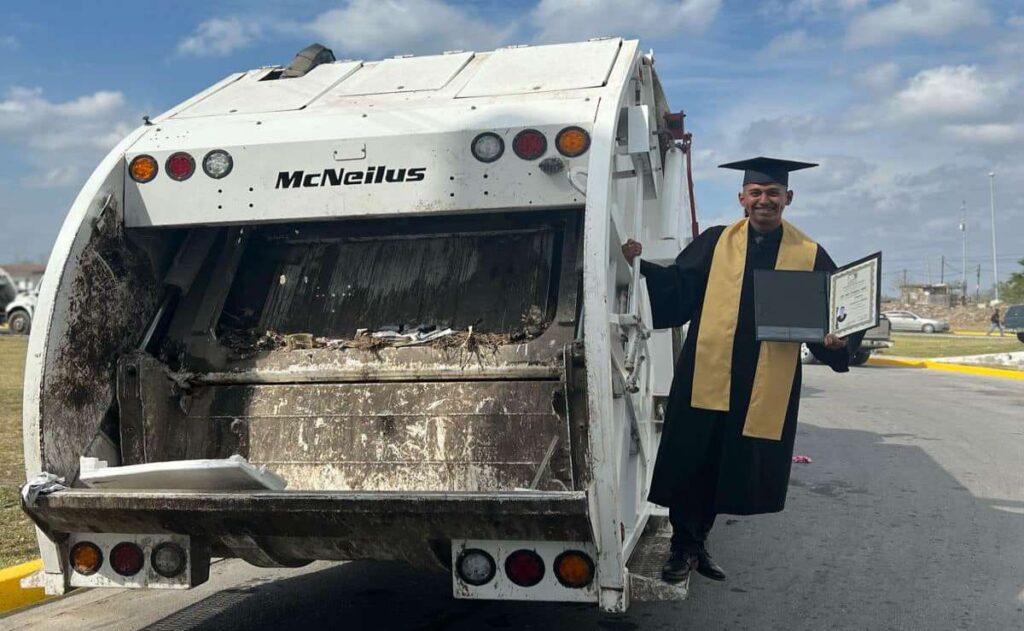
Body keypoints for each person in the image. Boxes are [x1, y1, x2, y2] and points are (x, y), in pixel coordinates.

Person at [621, 156, 864, 584]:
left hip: (762, 380)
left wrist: (838, 342)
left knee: (726, 465)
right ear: (742, 199)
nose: (764, 200)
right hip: (707, 371)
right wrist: (635, 266)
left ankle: (698, 543)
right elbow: (678, 286)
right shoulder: (717, 242)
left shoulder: (809, 254)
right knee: (693, 457)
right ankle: (682, 546)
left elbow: (832, 316)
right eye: (756, 193)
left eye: (773, 193)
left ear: (788, 198)